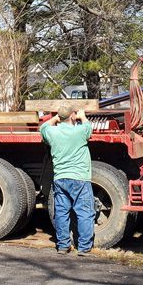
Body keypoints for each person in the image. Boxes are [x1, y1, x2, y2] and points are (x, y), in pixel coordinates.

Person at [40, 104, 95, 255]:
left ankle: (63, 246)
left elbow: (43, 127)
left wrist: (55, 118)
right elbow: (89, 128)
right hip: (80, 178)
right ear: (72, 116)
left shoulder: (52, 132)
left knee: (62, 212)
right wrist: (82, 116)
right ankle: (84, 247)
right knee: (84, 212)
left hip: (60, 178)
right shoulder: (80, 131)